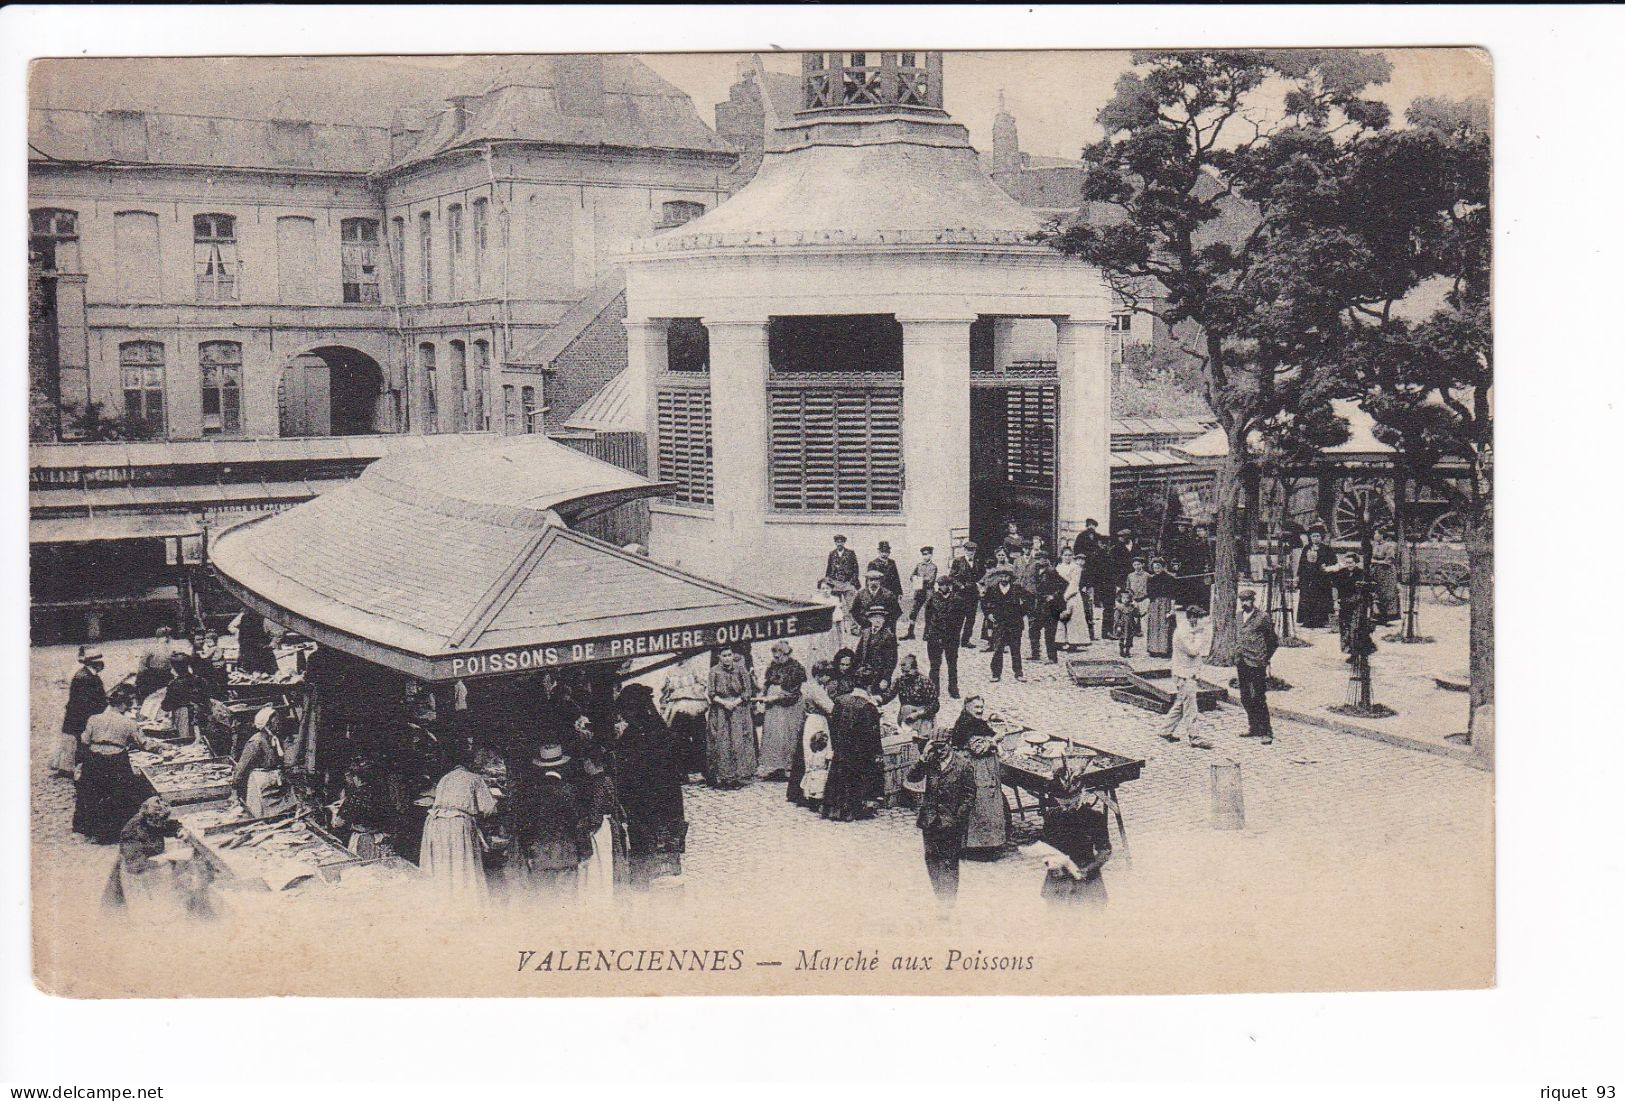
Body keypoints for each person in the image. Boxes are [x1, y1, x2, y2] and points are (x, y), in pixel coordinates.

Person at [613, 685, 687, 886]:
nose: (624, 715)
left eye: (626, 711)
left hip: (647, 802)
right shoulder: (656, 729)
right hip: (663, 802)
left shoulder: (641, 734)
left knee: (647, 847)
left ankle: (645, 884)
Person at [73, 685, 162, 844]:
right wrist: (161, 748)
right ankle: (112, 833)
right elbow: (144, 743)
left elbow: (84, 740)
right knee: (118, 795)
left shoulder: (93, 719)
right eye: (128, 704)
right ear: (123, 705)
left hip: (94, 759)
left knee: (94, 794)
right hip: (116, 760)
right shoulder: (128, 722)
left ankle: (91, 830)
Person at [905, 725, 976, 906]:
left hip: (950, 823)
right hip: (929, 821)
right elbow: (912, 778)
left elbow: (969, 797)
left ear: (950, 744)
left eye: (942, 747)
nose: (939, 751)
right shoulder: (930, 761)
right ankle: (939, 896)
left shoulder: (963, 765)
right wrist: (922, 758)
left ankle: (948, 901)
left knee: (949, 862)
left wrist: (956, 818)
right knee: (931, 859)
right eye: (936, 747)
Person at [420, 741, 498, 900]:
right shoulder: (474, 778)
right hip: (457, 825)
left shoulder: (444, 779)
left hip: (434, 824)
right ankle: (464, 902)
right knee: (461, 866)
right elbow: (490, 809)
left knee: (443, 867)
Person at [510, 744, 583, 897]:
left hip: (540, 855)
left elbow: (525, 826)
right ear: (563, 767)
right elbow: (577, 823)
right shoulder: (570, 791)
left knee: (543, 901)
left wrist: (528, 852)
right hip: (566, 854)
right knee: (568, 902)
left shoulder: (531, 794)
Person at [1035, 769, 1113, 908]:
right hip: (1059, 876)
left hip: (1087, 873)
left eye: (1070, 803)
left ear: (1080, 797)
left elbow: (1105, 849)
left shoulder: (1094, 818)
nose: (1066, 808)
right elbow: (1046, 847)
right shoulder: (1052, 817)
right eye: (1062, 804)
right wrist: (1052, 865)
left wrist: (1088, 869)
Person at [100, 797, 186, 914]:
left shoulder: (153, 819)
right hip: (136, 873)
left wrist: (178, 830)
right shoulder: (132, 831)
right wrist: (159, 861)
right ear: (148, 817)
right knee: (141, 907)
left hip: (151, 862)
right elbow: (134, 864)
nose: (161, 823)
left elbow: (166, 825)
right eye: (159, 821)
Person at [950, 697, 1008, 855]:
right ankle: (980, 847)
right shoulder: (967, 724)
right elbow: (978, 748)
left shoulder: (974, 721)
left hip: (981, 769)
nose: (980, 710)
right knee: (980, 805)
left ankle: (980, 844)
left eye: (982, 706)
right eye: (976, 707)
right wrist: (995, 739)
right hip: (976, 770)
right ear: (966, 706)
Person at [822, 682, 883, 822]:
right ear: (869, 687)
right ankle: (852, 810)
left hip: (841, 748)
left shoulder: (840, 700)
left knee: (838, 775)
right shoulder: (868, 707)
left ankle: (833, 809)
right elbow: (872, 735)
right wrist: (876, 753)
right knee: (856, 778)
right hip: (859, 752)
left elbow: (833, 725)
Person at [575, 743, 628, 903]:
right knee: (606, 864)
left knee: (599, 865)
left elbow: (595, 814)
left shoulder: (597, 784)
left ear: (590, 763)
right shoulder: (606, 779)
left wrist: (583, 828)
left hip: (600, 831)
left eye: (585, 762)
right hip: (608, 826)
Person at [1161, 606, 1214, 749]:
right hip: (1183, 675)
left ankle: (1165, 730)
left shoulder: (1192, 630)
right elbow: (1193, 651)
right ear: (1192, 618)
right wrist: (1200, 635)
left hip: (1189, 673)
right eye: (1200, 619)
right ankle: (1195, 737)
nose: (1203, 623)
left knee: (1181, 703)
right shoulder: (1183, 632)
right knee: (1191, 707)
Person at [234, 706, 299, 818]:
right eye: (276, 723)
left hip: (273, 781)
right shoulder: (256, 741)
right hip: (260, 782)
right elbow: (242, 767)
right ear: (267, 725)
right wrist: (235, 789)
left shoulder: (274, 739)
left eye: (279, 722)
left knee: (280, 811)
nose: (279, 725)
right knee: (261, 813)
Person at [705, 646, 757, 788]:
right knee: (722, 742)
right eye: (724, 655)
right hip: (720, 711)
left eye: (729, 655)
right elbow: (711, 693)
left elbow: (747, 691)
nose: (727, 658)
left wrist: (735, 702)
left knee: (738, 741)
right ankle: (723, 776)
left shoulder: (741, 669)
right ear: (719, 657)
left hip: (738, 710)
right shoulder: (714, 671)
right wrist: (724, 703)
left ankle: (738, 776)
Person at [790, 662, 838, 808]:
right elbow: (830, 708)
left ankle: (806, 792)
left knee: (809, 756)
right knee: (818, 757)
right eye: (826, 676)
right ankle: (814, 794)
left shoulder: (809, 686)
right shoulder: (817, 690)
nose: (829, 679)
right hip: (818, 721)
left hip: (810, 721)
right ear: (820, 675)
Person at [52, 647, 106, 777]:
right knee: (81, 742)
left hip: (77, 714)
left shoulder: (86, 675)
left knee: (78, 742)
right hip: (80, 716)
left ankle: (75, 767)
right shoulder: (85, 678)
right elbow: (87, 702)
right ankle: (79, 769)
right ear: (95, 664)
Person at [1235, 588, 1279, 744]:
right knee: (1245, 696)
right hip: (1242, 661)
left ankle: (1266, 731)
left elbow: (1273, 641)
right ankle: (1253, 727)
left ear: (1253, 601)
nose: (1244, 603)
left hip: (1257, 662)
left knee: (1259, 696)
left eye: (1246, 600)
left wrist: (1265, 657)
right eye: (1241, 600)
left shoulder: (1263, 617)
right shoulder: (1239, 617)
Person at [758, 641, 808, 780]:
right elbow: (767, 682)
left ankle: (789, 768)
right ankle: (777, 767)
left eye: (779, 656)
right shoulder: (773, 666)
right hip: (773, 708)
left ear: (786, 654)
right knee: (774, 735)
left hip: (789, 706)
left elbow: (794, 691)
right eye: (775, 656)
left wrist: (776, 697)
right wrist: (764, 694)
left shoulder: (796, 668)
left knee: (789, 734)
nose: (776, 658)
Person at [332, 754, 396, 860]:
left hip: (363, 841)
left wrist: (334, 811)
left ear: (356, 777)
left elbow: (338, 823)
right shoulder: (382, 792)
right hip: (382, 840)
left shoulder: (355, 796)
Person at [659, 657, 710, 781]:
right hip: (678, 710)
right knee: (679, 741)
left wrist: (684, 693)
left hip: (696, 707)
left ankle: (705, 770)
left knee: (700, 739)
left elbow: (702, 685)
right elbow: (666, 692)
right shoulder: (670, 671)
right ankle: (682, 772)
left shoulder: (695, 666)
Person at [982, 567, 1029, 682]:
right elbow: (984, 602)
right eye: (1001, 576)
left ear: (1010, 578)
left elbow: (1028, 600)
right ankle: (996, 674)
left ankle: (1018, 673)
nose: (1004, 578)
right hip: (999, 623)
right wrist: (989, 614)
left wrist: (1020, 613)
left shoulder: (1016, 589)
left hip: (1015, 623)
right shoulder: (992, 589)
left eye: (1006, 576)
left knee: (1015, 649)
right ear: (998, 577)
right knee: (998, 648)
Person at [922, 576, 964, 699]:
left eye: (946, 584)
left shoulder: (957, 599)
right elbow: (928, 616)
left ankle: (953, 688)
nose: (943, 587)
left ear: (950, 585)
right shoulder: (933, 598)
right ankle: (934, 690)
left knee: (952, 663)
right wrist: (928, 632)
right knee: (935, 664)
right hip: (935, 635)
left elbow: (961, 618)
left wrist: (956, 632)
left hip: (951, 636)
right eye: (941, 584)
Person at [161, 652, 212, 744]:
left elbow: (166, 706)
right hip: (202, 715)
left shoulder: (174, 684)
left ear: (174, 668)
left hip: (184, 717)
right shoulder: (200, 680)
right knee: (204, 742)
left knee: (187, 742)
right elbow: (207, 697)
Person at [1029, 551, 1068, 663]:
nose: (1040, 560)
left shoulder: (1051, 572)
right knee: (1034, 629)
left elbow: (1064, 585)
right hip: (1037, 605)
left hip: (1050, 607)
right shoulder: (1034, 571)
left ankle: (1052, 657)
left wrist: (1053, 596)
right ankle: (1035, 654)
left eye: (1043, 558)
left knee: (1050, 632)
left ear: (1046, 559)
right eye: (1038, 558)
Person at [890, 653, 940, 741]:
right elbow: (890, 694)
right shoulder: (900, 681)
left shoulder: (925, 681)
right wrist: (879, 699)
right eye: (903, 672)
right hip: (906, 718)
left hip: (923, 719)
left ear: (915, 669)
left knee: (922, 741)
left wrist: (918, 714)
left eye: (907, 672)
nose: (905, 674)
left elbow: (935, 705)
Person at [1295, 529, 1336, 629]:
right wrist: (1299, 575)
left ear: (1321, 537)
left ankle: (1321, 620)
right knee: (1307, 598)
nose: (1316, 538)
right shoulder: (1306, 548)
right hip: (1308, 577)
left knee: (1321, 598)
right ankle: (1307, 620)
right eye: (1313, 536)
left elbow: (1333, 561)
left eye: (1318, 536)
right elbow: (1302, 563)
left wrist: (1326, 566)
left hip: (1321, 578)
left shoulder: (1327, 549)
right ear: (1310, 538)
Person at [853, 606, 899, 694]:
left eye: (881, 618)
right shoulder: (866, 632)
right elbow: (858, 653)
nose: (878, 620)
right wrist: (855, 669)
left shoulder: (889, 636)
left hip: (878, 675)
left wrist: (885, 678)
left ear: (884, 620)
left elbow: (891, 660)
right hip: (863, 672)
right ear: (870, 619)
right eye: (875, 617)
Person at [1056, 546, 1093, 650]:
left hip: (1072, 595)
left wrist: (1066, 596)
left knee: (1074, 619)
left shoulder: (1076, 568)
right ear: (1061, 556)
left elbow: (1074, 583)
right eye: (1065, 555)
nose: (1067, 557)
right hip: (1060, 594)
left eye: (1069, 555)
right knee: (1061, 617)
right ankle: (1061, 641)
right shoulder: (1058, 567)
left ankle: (1074, 642)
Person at [849, 570, 903, 637]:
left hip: (885, 627)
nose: (873, 582)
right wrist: (867, 623)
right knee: (865, 643)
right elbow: (854, 612)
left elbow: (897, 612)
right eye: (871, 580)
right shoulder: (861, 594)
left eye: (876, 580)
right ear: (867, 581)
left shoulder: (888, 595)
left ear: (880, 581)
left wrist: (884, 623)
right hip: (867, 627)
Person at [1333, 552, 1367, 654]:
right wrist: (1335, 602)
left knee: (1356, 627)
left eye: (1351, 562)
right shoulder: (1341, 573)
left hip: (1358, 603)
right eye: (1347, 563)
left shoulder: (1362, 573)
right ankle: (1346, 647)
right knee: (1344, 626)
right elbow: (1335, 588)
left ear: (1356, 562)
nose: (1349, 565)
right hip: (1344, 603)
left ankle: (1356, 649)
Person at [949, 541, 982, 648]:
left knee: (971, 619)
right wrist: (960, 585)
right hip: (960, 595)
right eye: (968, 550)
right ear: (965, 550)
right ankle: (955, 640)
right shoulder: (958, 561)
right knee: (959, 618)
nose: (970, 552)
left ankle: (965, 640)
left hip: (973, 595)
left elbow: (981, 576)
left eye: (973, 550)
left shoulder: (977, 562)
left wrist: (979, 584)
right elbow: (951, 577)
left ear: (975, 551)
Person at [1145, 558, 1178, 659]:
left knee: (1165, 626)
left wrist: (1172, 609)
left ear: (1163, 567)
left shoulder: (1170, 578)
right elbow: (1149, 594)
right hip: (1155, 604)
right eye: (1155, 567)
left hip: (1166, 603)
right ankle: (1154, 650)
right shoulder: (1151, 579)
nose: (1157, 569)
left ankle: (1165, 651)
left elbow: (1173, 595)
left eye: (1159, 567)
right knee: (1154, 626)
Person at [902, 546, 938, 640]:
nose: (926, 556)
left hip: (928, 592)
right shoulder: (919, 565)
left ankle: (927, 634)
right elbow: (912, 576)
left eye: (928, 554)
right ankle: (910, 633)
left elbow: (931, 580)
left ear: (931, 555)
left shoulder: (933, 567)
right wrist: (918, 579)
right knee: (913, 612)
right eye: (924, 554)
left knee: (928, 612)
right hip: (918, 591)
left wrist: (918, 579)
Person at [823, 534, 861, 617]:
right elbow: (829, 568)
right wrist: (828, 582)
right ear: (835, 543)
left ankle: (853, 628)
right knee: (836, 607)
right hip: (835, 583)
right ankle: (838, 628)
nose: (839, 544)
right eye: (837, 542)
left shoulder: (850, 553)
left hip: (847, 583)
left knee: (851, 607)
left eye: (841, 542)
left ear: (844, 543)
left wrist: (852, 582)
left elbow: (856, 569)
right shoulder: (832, 553)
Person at [133, 627, 174, 702]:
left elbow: (142, 666)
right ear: (167, 637)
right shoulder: (170, 649)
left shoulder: (150, 648)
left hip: (153, 676)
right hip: (163, 677)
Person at [235, 610, 279, 676]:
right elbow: (232, 627)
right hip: (247, 648)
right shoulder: (244, 617)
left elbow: (276, 633)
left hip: (262, 649)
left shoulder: (265, 618)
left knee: (268, 673)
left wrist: (273, 642)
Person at [1371, 531, 1402, 625]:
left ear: (1381, 535)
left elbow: (1389, 561)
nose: (1374, 536)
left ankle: (1387, 616)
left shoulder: (1389, 546)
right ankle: (1378, 615)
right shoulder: (1375, 545)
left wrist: (1375, 561)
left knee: (1387, 593)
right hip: (1377, 571)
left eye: (1376, 534)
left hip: (1387, 572)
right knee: (1377, 592)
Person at [867, 541, 904, 610]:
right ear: (879, 552)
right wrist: (869, 593)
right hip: (880, 591)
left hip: (892, 592)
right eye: (882, 552)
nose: (884, 554)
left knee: (893, 611)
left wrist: (899, 592)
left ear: (889, 552)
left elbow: (896, 578)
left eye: (886, 552)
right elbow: (869, 580)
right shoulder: (873, 563)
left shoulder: (892, 562)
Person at [1113, 589, 1141, 658]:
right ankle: (1121, 650)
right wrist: (1118, 625)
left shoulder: (1132, 608)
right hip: (1122, 625)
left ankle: (1127, 651)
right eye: (1124, 598)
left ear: (1130, 599)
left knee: (1129, 638)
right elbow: (1116, 617)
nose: (1125, 600)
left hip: (1130, 626)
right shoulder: (1119, 608)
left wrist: (1140, 612)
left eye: (1127, 598)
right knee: (1121, 638)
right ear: (1121, 599)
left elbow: (1136, 615)